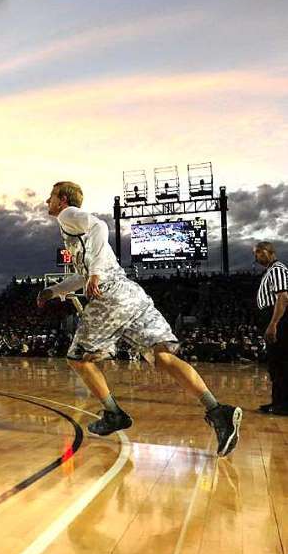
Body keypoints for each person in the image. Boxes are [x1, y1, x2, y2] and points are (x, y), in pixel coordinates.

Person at [37, 181, 242, 456]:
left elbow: (100, 226)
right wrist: (54, 290)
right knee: (163, 357)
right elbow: (83, 275)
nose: (47, 201)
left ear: (62, 199)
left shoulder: (67, 215)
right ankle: (218, 411)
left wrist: (95, 273)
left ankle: (113, 414)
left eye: (51, 197)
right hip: (132, 294)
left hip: (110, 297)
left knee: (77, 358)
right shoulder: (83, 240)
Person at [254, 241, 288, 415]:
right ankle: (278, 402)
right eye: (256, 253)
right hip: (273, 317)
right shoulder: (270, 271)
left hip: (278, 318)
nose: (257, 256)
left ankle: (284, 405)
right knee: (275, 363)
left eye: (260, 252)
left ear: (270, 252)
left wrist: (273, 323)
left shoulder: (277, 269)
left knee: (281, 362)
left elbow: (283, 297)